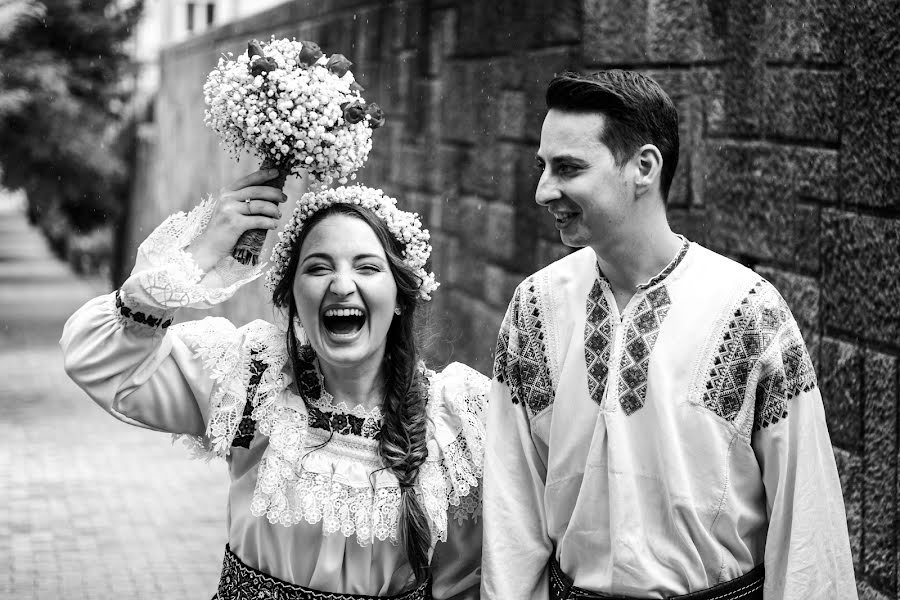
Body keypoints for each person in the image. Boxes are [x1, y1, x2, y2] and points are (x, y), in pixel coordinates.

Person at [481, 70, 857, 600]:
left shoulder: (748, 312)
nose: (544, 190)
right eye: (542, 167)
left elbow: (806, 520)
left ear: (643, 167)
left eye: (568, 168)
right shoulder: (535, 308)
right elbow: (511, 508)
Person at [61, 172, 487, 600]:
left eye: (367, 267)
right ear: (292, 297)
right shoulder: (252, 381)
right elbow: (97, 359)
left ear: (400, 296)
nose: (341, 286)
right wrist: (203, 251)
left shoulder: (453, 425)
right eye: (318, 268)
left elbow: (470, 583)